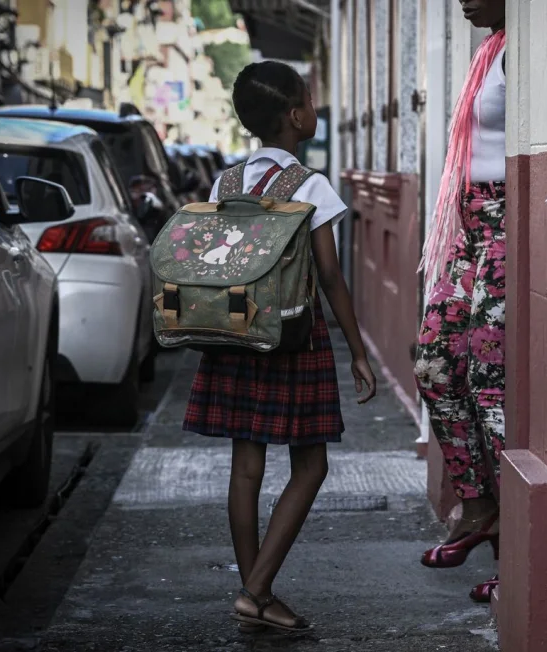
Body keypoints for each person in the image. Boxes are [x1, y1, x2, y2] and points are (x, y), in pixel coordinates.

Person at [182, 61, 378, 633]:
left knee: (245, 466)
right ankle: (258, 589)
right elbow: (331, 277)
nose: (315, 107)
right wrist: (358, 351)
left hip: (234, 332)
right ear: (296, 116)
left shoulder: (225, 183)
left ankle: (257, 594)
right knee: (311, 464)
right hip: (293, 337)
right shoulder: (312, 186)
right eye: (310, 99)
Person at [413, 0, 507, 603]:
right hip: (469, 226)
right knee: (432, 362)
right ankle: (478, 506)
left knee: (486, 377)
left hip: (506, 223)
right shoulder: (489, 51)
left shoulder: (523, 51)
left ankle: (517, 544)